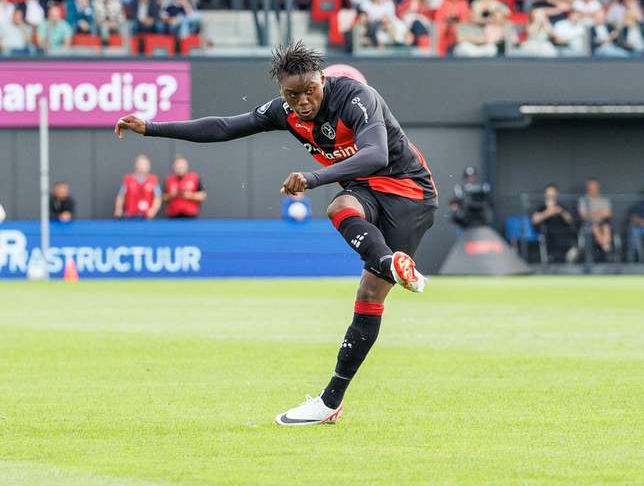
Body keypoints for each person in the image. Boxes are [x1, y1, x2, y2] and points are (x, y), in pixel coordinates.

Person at [114, 43, 436, 426]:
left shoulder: (357, 97)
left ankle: (388, 267)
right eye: (291, 94)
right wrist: (151, 127)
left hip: (407, 192)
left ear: (322, 79)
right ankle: (331, 399)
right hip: (365, 190)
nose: (301, 102)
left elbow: (376, 155)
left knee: (368, 286)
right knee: (340, 213)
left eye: (309, 91)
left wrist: (313, 177)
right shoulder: (284, 111)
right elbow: (224, 127)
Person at [531, 183, 576, 263]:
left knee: (567, 237)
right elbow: (535, 219)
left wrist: (561, 211)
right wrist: (548, 212)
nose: (551, 197)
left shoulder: (561, 207)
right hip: (547, 236)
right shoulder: (542, 208)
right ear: (545, 195)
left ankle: (570, 254)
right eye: (549, 194)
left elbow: (570, 219)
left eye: (553, 194)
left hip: (563, 236)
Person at [114, 154, 162, 219]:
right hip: (129, 215)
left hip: (147, 216)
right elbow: (121, 196)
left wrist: (154, 209)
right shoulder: (128, 179)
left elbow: (157, 197)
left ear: (149, 166)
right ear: (136, 165)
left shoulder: (154, 180)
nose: (143, 166)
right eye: (141, 164)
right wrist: (118, 209)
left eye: (145, 164)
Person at [578, 178, 613, 257]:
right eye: (591, 187)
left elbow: (609, 213)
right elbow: (583, 215)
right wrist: (601, 213)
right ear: (588, 188)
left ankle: (605, 247)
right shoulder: (583, 200)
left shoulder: (604, 200)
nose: (593, 189)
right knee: (595, 226)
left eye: (595, 187)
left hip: (603, 222)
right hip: (589, 224)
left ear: (598, 187)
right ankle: (606, 249)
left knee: (606, 227)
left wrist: (592, 214)